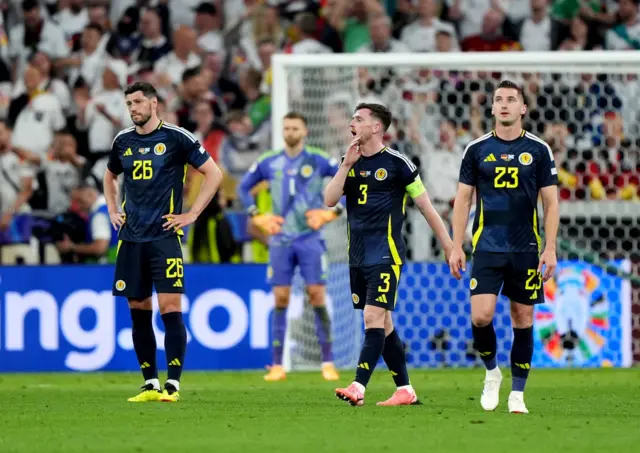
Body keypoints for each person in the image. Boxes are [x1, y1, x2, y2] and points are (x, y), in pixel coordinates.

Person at [324, 103, 453, 406]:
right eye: (353, 118)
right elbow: (329, 200)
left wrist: (449, 246)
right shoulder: (349, 161)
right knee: (384, 324)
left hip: (387, 253)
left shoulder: (399, 164)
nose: (352, 123)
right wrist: (345, 165)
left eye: (359, 119)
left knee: (372, 317)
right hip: (357, 255)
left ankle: (358, 386)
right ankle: (405, 389)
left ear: (376, 127)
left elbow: (426, 208)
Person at [104, 81, 223, 403]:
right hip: (131, 239)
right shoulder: (123, 141)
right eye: (129, 103)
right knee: (137, 311)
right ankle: (149, 384)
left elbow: (214, 173)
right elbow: (109, 174)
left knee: (170, 308)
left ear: (154, 103)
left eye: (138, 102)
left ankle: (173, 384)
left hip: (164, 237)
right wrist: (113, 209)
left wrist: (193, 213)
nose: (132, 109)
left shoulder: (176, 137)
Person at [448, 80, 559, 414]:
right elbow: (463, 199)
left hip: (525, 247)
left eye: (512, 99)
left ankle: (518, 394)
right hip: (486, 247)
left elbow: (551, 204)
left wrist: (549, 247)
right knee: (481, 317)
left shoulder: (539, 150)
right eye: (499, 100)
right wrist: (456, 245)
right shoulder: (477, 149)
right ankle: (492, 372)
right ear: (493, 108)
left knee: (522, 317)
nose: (505, 104)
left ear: (523, 108)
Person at [238, 112, 342, 382]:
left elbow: (349, 182)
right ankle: (276, 365)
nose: (290, 132)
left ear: (305, 131)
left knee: (317, 295)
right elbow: (243, 187)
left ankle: (328, 362)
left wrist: (332, 212)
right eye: (286, 128)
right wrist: (256, 214)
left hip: (310, 238)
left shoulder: (318, 159)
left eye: (295, 127)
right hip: (281, 239)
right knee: (281, 298)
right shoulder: (269, 161)